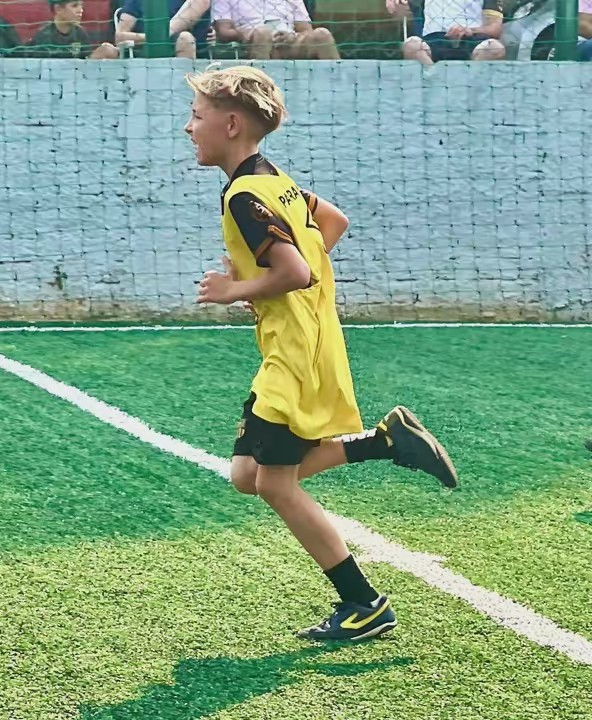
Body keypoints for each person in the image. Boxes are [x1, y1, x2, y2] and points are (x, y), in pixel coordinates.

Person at [184, 66, 458, 642]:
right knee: (247, 476)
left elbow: (295, 271)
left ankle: (364, 603)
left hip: (294, 352)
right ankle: (383, 442)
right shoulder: (274, 180)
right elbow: (333, 221)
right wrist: (274, 284)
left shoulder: (244, 196)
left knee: (274, 485)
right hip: (303, 341)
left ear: (230, 125)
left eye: (197, 116)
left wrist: (236, 289)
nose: (189, 127)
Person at [212, 0, 339, 60]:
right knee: (263, 34)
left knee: (322, 35)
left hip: (288, 42)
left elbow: (306, 29)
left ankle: (339, 86)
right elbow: (224, 31)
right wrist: (248, 33)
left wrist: (291, 36)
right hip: (250, 42)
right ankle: (260, 89)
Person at [389, 0, 506, 65]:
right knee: (411, 46)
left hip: (472, 41)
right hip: (433, 41)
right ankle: (435, 85)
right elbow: (401, 8)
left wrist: (470, 30)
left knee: (495, 48)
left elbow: (495, 28)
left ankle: (468, 87)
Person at [115, 0, 215, 59]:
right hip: (141, 55)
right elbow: (120, 36)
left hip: (192, 53)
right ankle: (162, 35)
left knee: (185, 38)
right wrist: (153, 38)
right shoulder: (135, 2)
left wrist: (153, 38)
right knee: (107, 49)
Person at [26, 0, 119, 59]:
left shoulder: (80, 34)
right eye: (75, 6)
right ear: (58, 9)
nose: (80, 10)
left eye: (81, 6)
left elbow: (86, 64)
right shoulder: (43, 37)